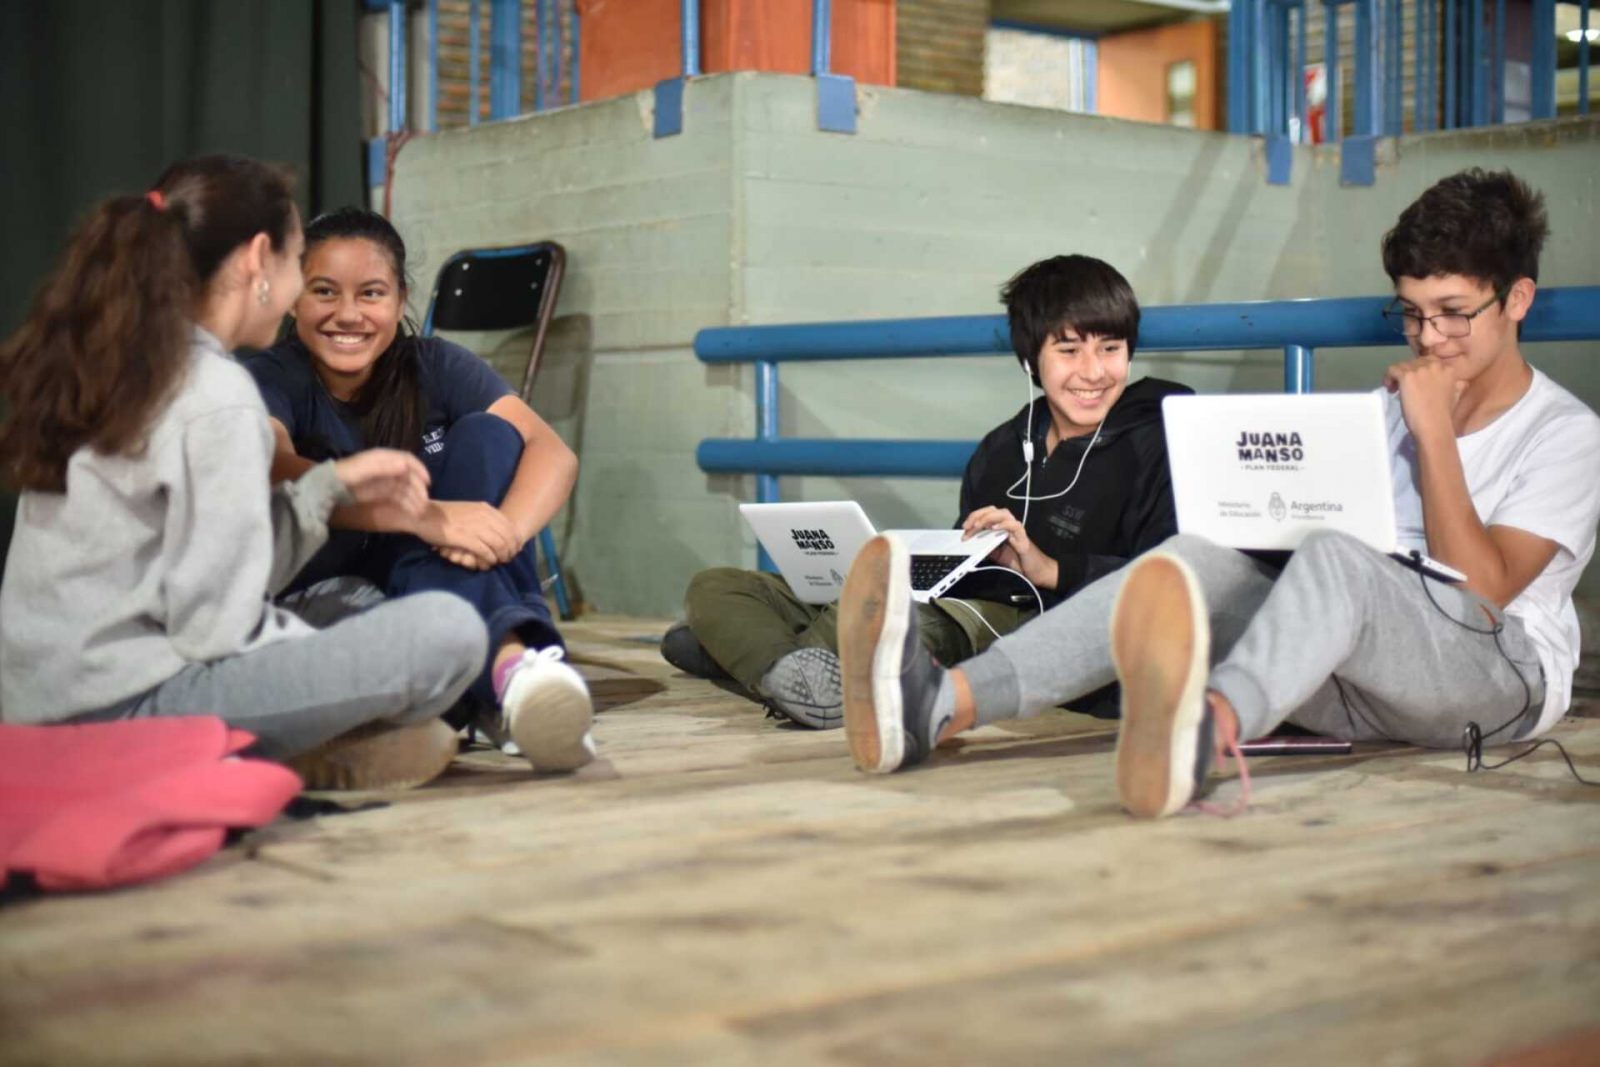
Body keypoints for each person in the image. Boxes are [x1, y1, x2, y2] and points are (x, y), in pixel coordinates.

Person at [837, 168, 1600, 818]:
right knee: (1192, 560)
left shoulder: (1565, 433)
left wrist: (1433, 437)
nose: (1430, 338)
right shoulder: (1384, 411)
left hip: (1497, 683)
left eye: (1454, 314)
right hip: (1355, 680)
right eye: (1412, 314)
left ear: (1518, 298)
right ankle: (938, 704)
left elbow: (1485, 593)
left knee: (1338, 559)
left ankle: (1197, 736)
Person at [0, 155, 487, 790]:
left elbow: (202, 565)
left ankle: (310, 739)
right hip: (121, 714)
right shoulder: (217, 391)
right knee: (449, 633)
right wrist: (329, 670)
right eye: (298, 265)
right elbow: (218, 629)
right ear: (259, 259)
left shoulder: (123, 361)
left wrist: (325, 491)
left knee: (350, 609)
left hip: (38, 706)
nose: (296, 288)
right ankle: (278, 750)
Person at [664, 255, 1192, 728]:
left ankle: (754, 658)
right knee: (718, 586)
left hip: (1023, 619)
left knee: (890, 620)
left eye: (1110, 349)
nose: (1093, 372)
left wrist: (1048, 568)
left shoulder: (1161, 438)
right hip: (954, 595)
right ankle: (788, 667)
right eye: (1069, 350)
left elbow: (1173, 578)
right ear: (1031, 359)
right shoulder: (1003, 446)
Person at [245, 207, 594, 772]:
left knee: (488, 435)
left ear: (400, 299)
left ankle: (499, 681)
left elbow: (554, 454)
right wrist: (423, 516)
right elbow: (273, 468)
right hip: (333, 582)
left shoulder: (434, 364)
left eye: (371, 293)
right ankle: (510, 670)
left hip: (433, 570)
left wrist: (497, 535)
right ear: (292, 298)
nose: (348, 314)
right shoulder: (272, 375)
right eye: (324, 291)